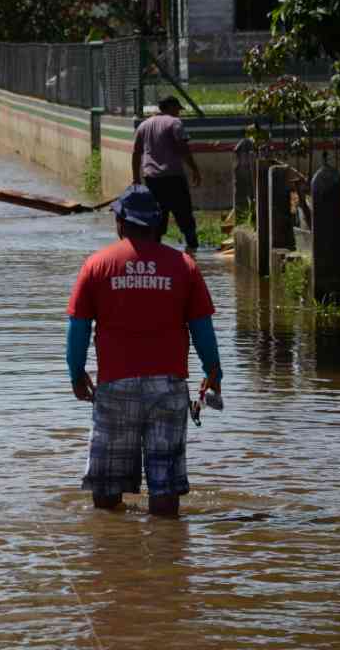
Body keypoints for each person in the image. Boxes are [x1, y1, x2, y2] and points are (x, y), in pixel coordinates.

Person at [65, 185, 223, 517]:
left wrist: (76, 374)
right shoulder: (183, 266)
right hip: (168, 388)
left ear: (121, 223)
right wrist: (213, 374)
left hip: (115, 387)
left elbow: (77, 331)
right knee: (164, 490)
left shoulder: (96, 266)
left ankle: (114, 554)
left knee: (106, 492)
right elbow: (203, 332)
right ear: (158, 224)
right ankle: (168, 557)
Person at [133, 95, 202, 254]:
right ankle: (192, 250)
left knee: (157, 217)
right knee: (184, 214)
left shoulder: (144, 125)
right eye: (178, 109)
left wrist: (136, 178)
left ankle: (154, 252)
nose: (179, 113)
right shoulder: (175, 123)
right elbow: (183, 148)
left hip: (151, 179)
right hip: (173, 177)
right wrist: (194, 170)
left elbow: (136, 153)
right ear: (170, 107)